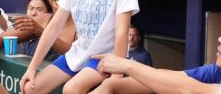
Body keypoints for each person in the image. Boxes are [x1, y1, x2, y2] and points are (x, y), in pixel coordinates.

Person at [90, 35, 221, 94]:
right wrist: (110, 85)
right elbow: (172, 79)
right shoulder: (216, 71)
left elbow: (190, 89)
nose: (219, 39)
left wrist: (126, 65)